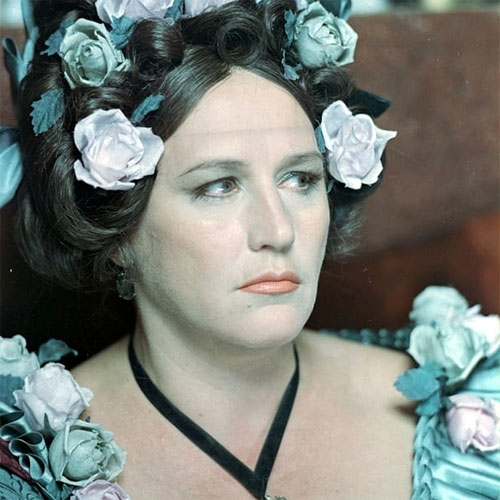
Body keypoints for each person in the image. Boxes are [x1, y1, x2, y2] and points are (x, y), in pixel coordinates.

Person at [0, 0, 498, 499]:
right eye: (218, 186)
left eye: (300, 179)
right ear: (114, 230)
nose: (279, 231)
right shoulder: (23, 467)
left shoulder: (474, 413)